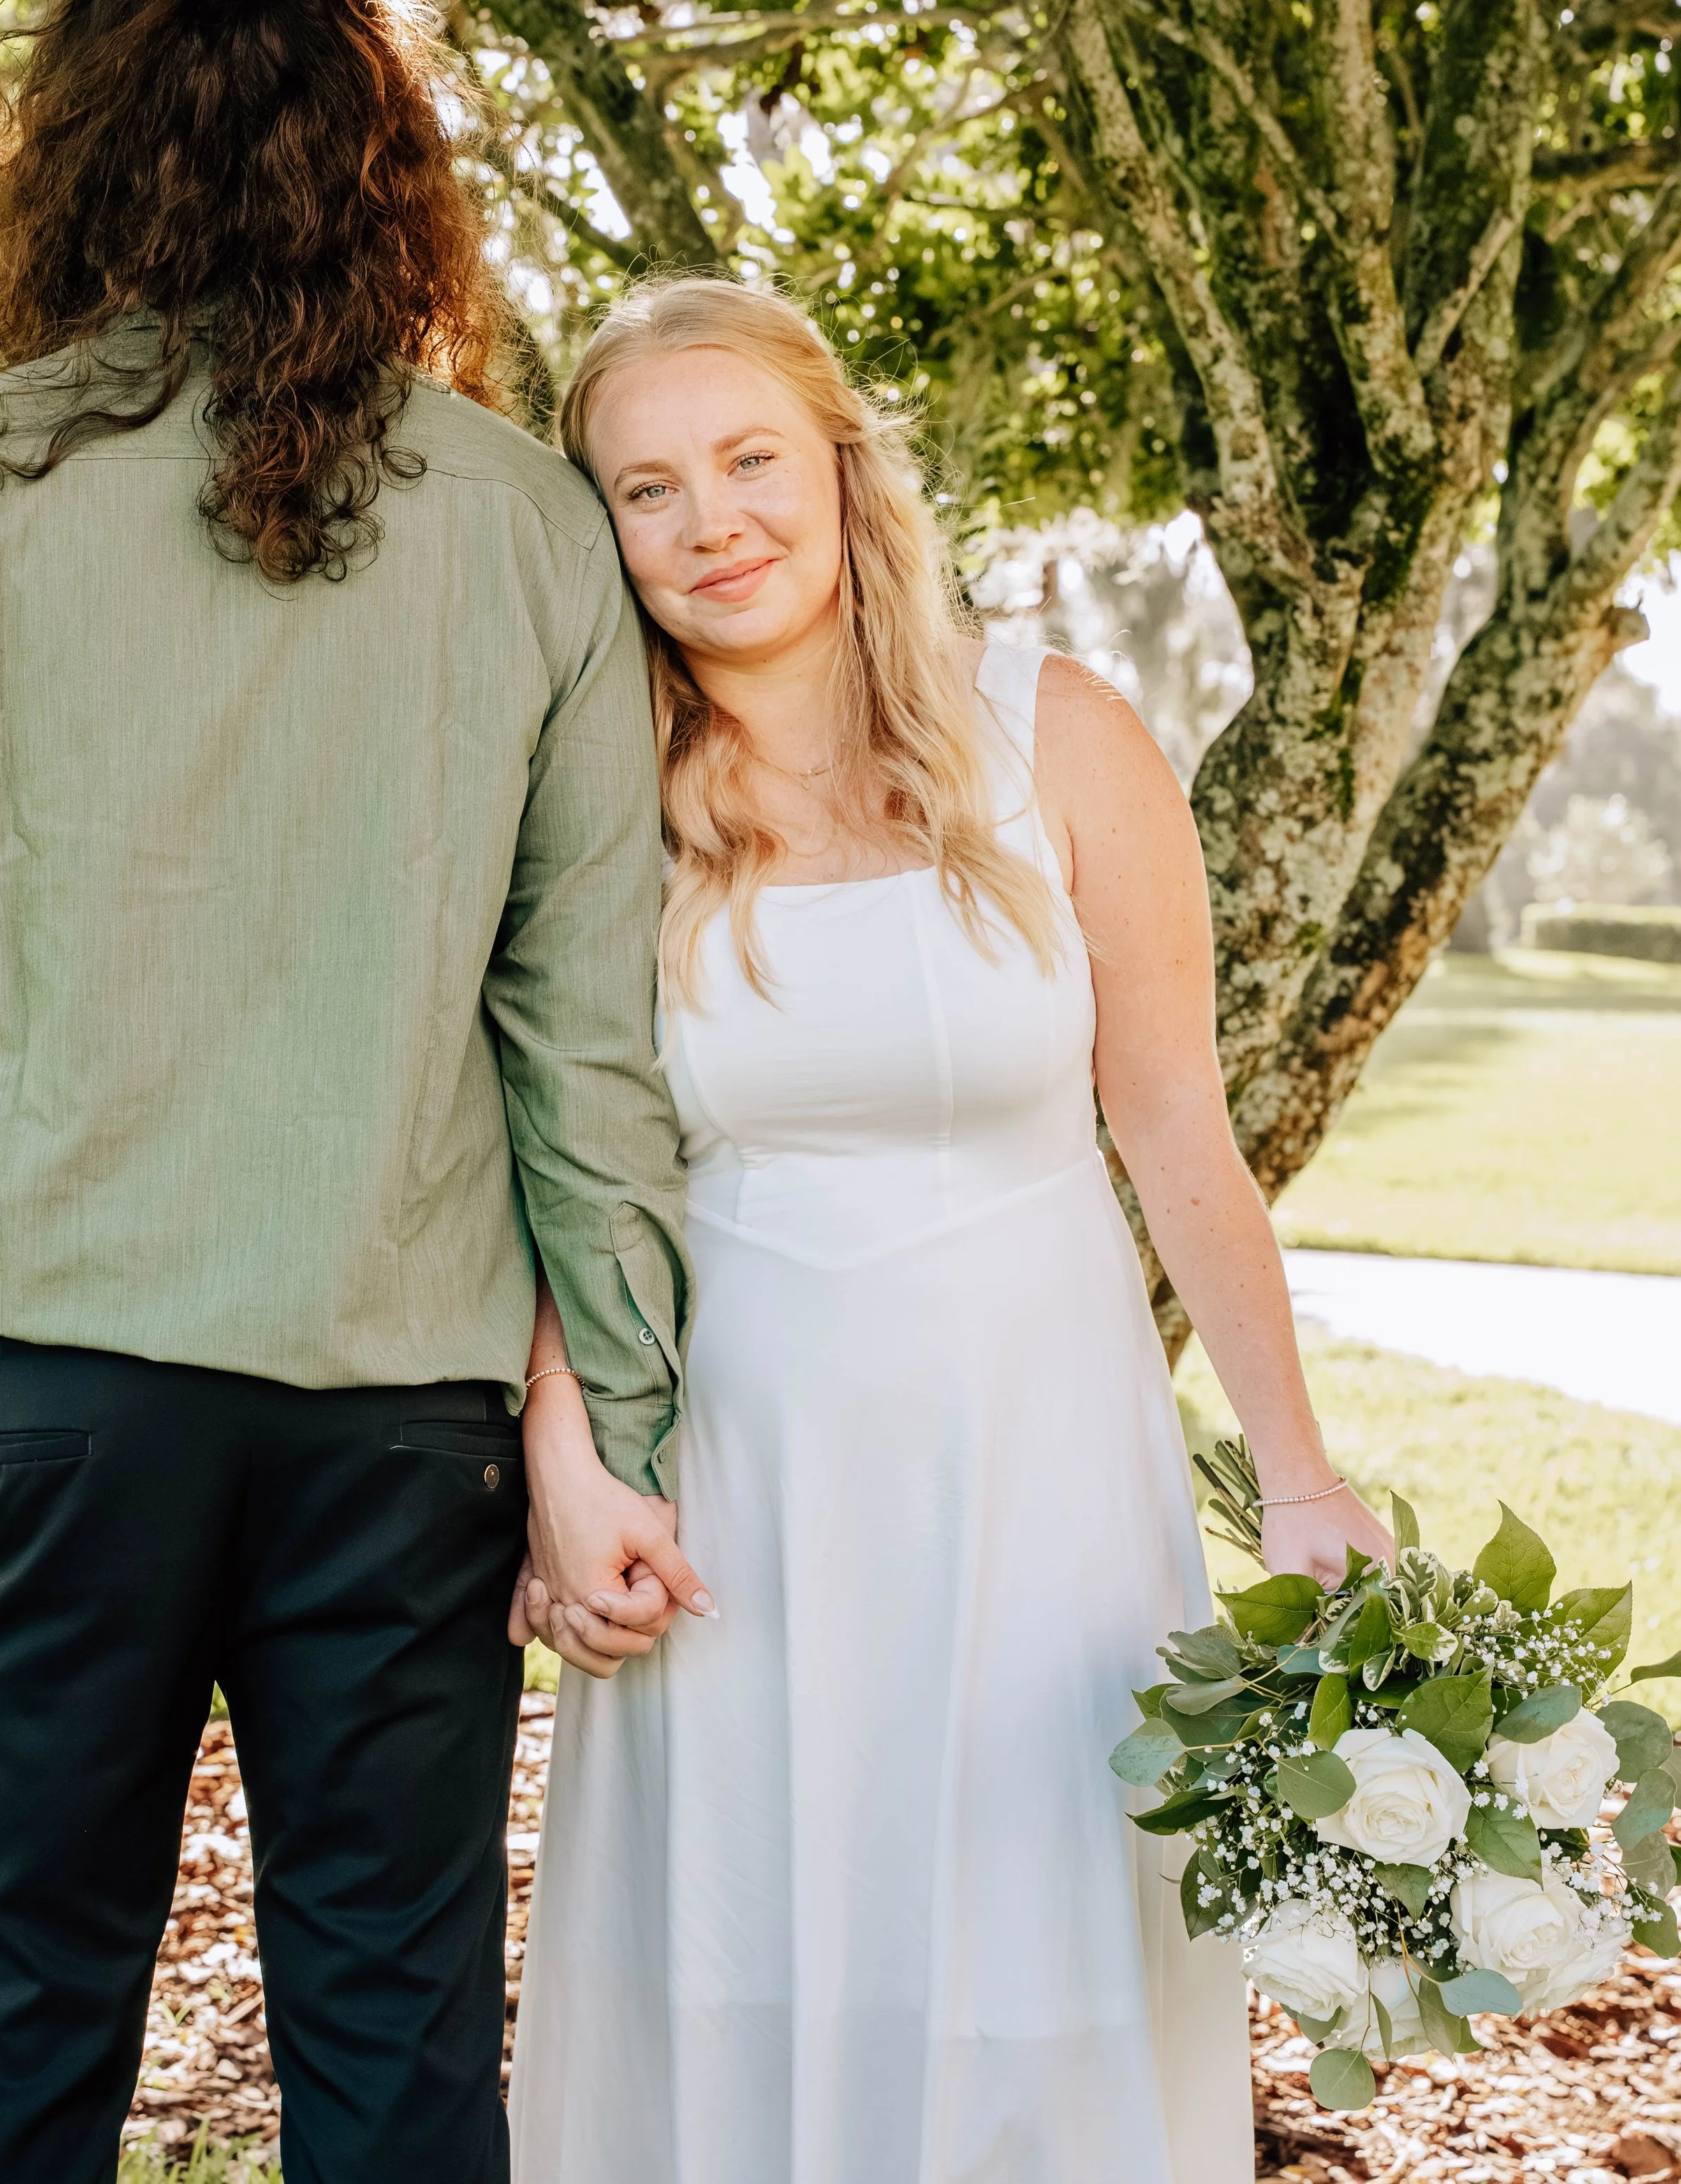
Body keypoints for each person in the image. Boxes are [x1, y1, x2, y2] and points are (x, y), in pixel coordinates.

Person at [506, 277, 1396, 2184]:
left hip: (1041, 1465)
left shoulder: (1053, 729)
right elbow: (568, 1161)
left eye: (748, 459)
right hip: (741, 1476)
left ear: (840, 468)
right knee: (741, 1948)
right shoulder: (590, 794)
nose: (709, 520)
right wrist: (562, 1466)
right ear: (596, 530)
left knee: (1034, 1950)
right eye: (644, 488)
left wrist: (1300, 1476)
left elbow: (1173, 1127)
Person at [0, 7, 707, 2182]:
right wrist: (616, 1432)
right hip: (403, 1428)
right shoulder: (533, 525)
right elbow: (585, 1042)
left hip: (36, 1401)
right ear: (391, 178)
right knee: (397, 2043)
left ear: (68, 162)